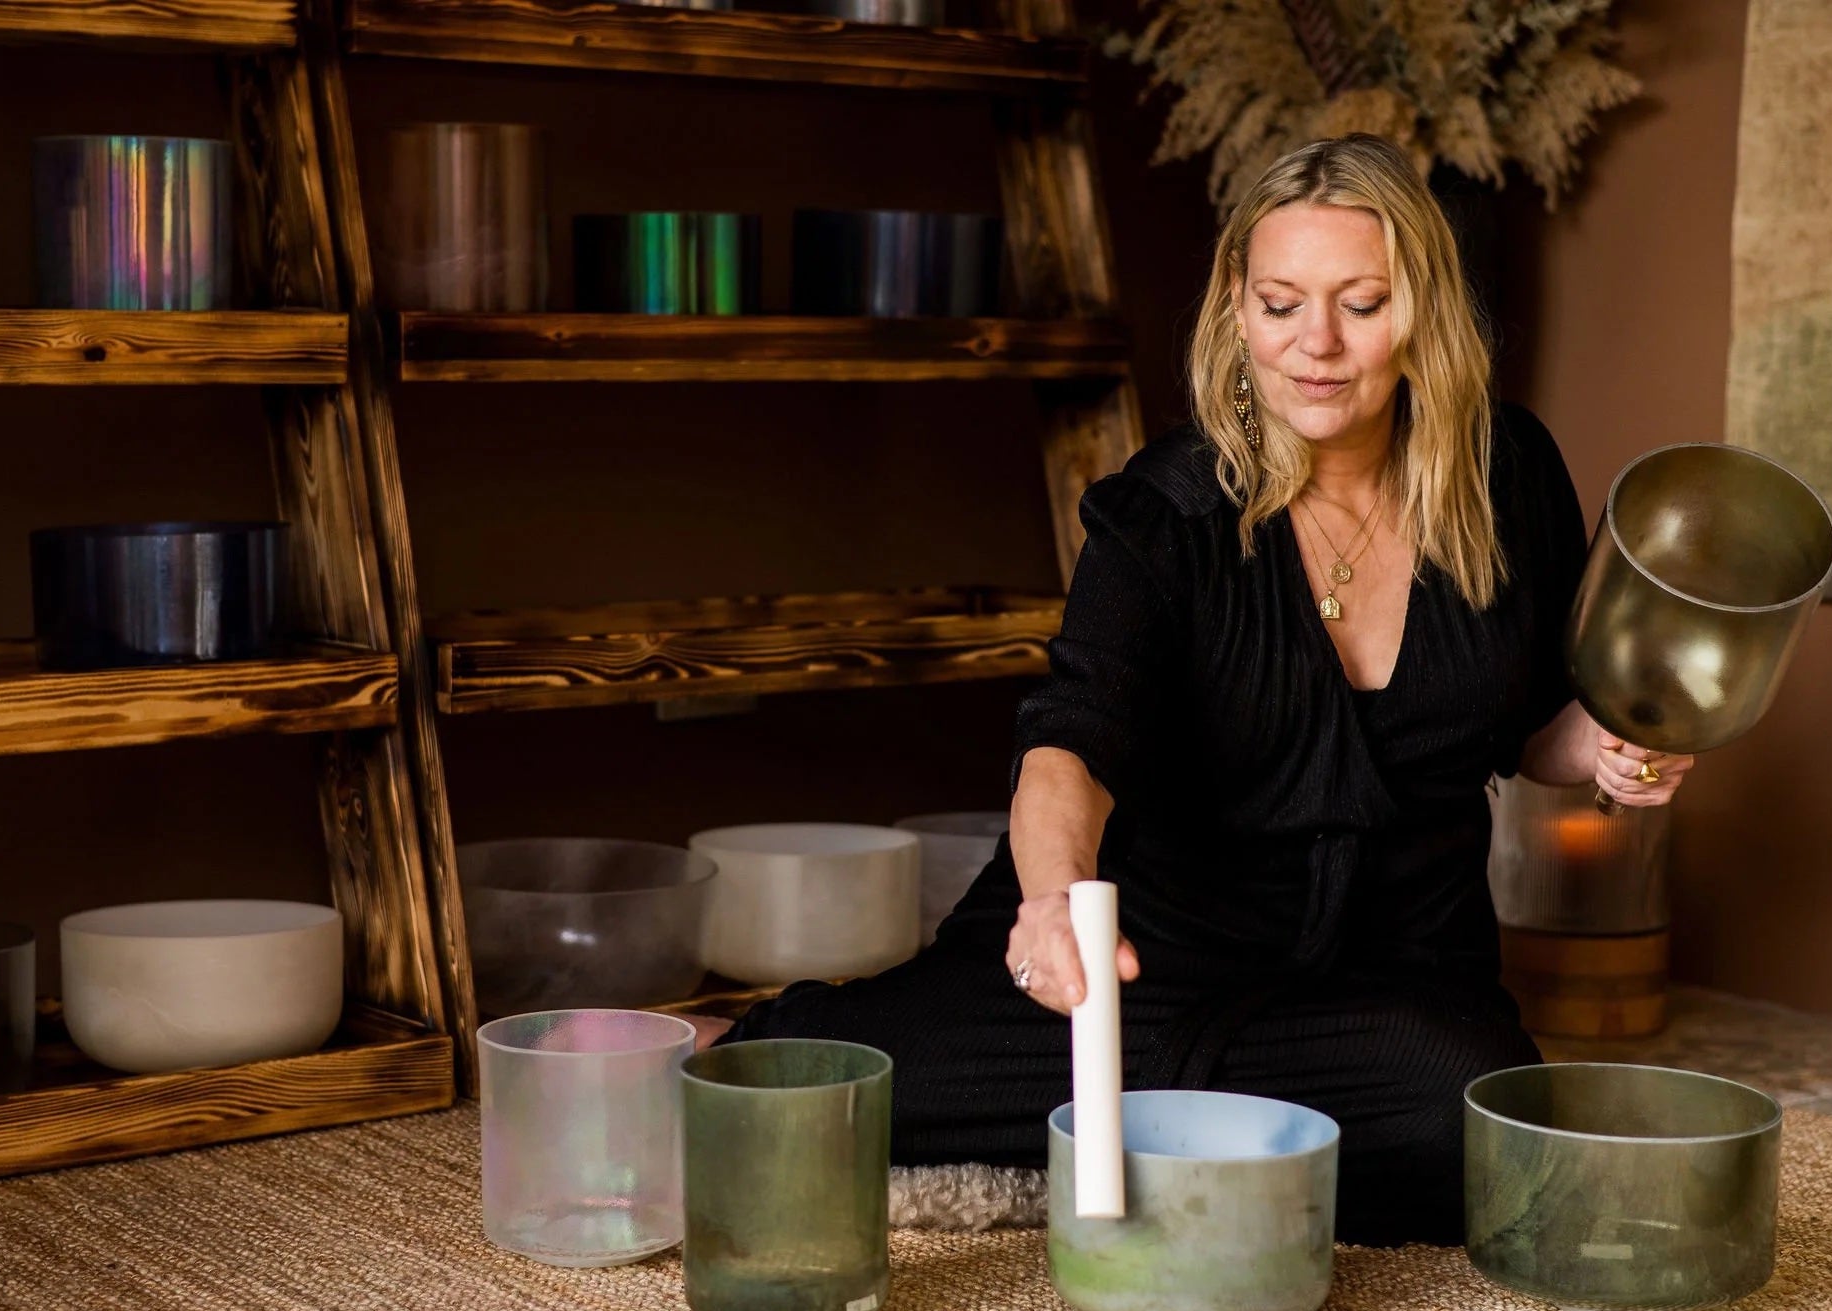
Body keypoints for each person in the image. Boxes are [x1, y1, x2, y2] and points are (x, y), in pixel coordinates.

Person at [699, 133, 1691, 1247]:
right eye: (1278, 304)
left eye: (1359, 304)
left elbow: (1527, 730)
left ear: (1422, 311)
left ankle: (1153, 1126)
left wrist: (1605, 744)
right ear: (1235, 303)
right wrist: (1050, 902)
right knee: (829, 1093)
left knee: (1479, 1134)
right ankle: (1150, 1112)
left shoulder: (1506, 479)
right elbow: (1065, 746)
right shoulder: (1161, 514)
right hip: (1138, 965)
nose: (1314, 346)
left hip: (1383, 976)